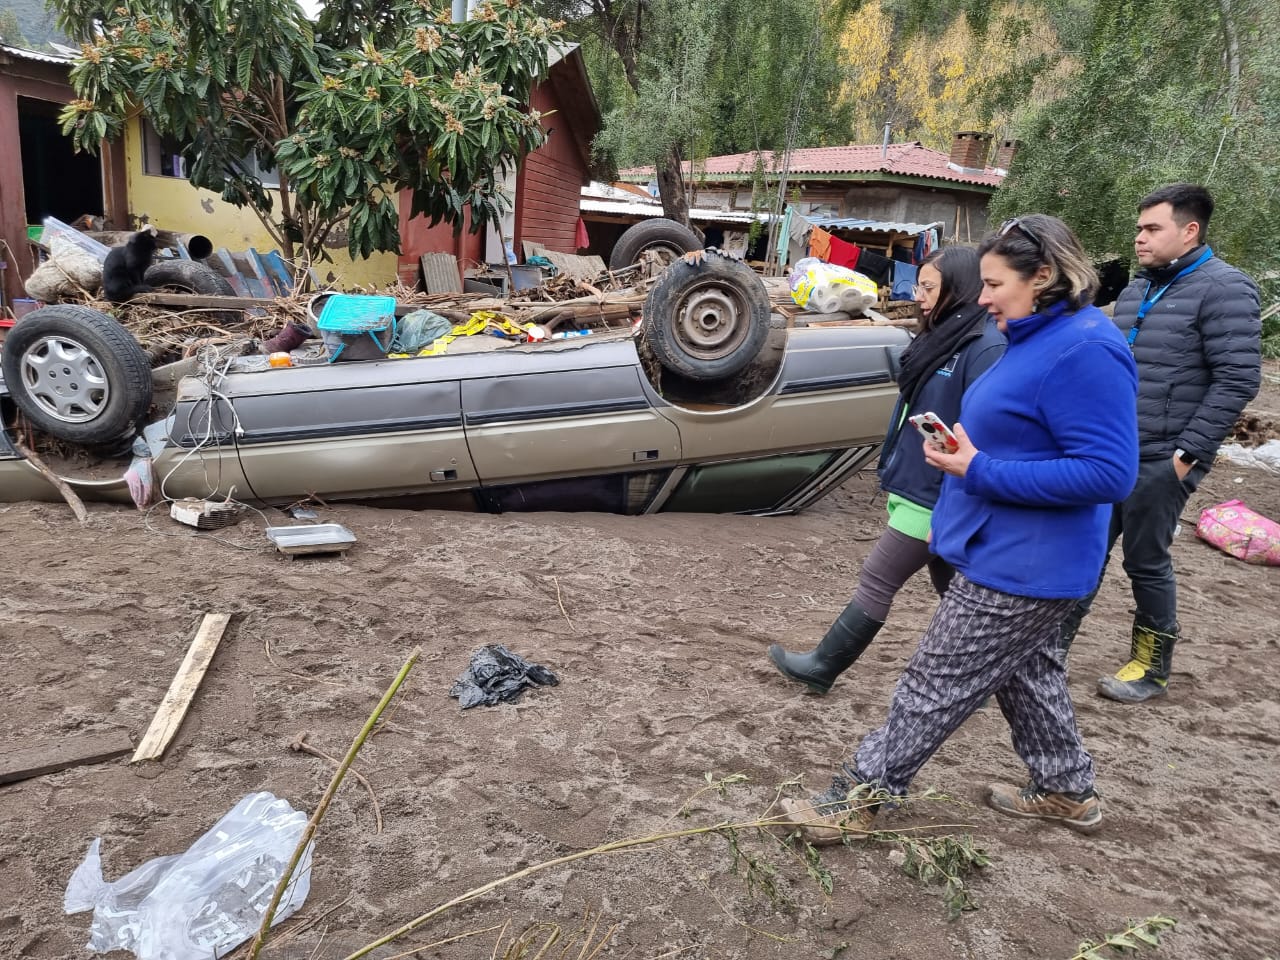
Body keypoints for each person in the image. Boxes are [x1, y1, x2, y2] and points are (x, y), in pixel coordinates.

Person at [777, 215, 1138, 842]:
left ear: (1044, 276)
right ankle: (1066, 790)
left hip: (1027, 561)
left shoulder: (1088, 350)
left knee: (935, 681)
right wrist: (976, 453)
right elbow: (1034, 434)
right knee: (1029, 673)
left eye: (996, 283)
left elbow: (1109, 473)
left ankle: (855, 797)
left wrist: (981, 467)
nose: (984, 296)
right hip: (1002, 545)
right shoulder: (1034, 336)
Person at [1057, 184, 1262, 703]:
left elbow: (1238, 379)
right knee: (1084, 550)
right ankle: (1050, 650)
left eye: (1152, 229)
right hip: (1111, 450)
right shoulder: (1138, 287)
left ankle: (1151, 668)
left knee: (1145, 559)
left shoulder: (1226, 289)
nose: (1139, 239)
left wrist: (1188, 454)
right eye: (1139, 228)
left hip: (1163, 455)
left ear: (1189, 230)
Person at [767, 246, 1005, 693]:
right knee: (958, 594)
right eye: (919, 285)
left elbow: (985, 428)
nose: (919, 296)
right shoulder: (944, 334)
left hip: (938, 490)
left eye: (930, 287)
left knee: (880, 577)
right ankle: (994, 675)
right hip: (920, 476)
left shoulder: (983, 345)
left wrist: (960, 495)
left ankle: (823, 666)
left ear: (961, 289)